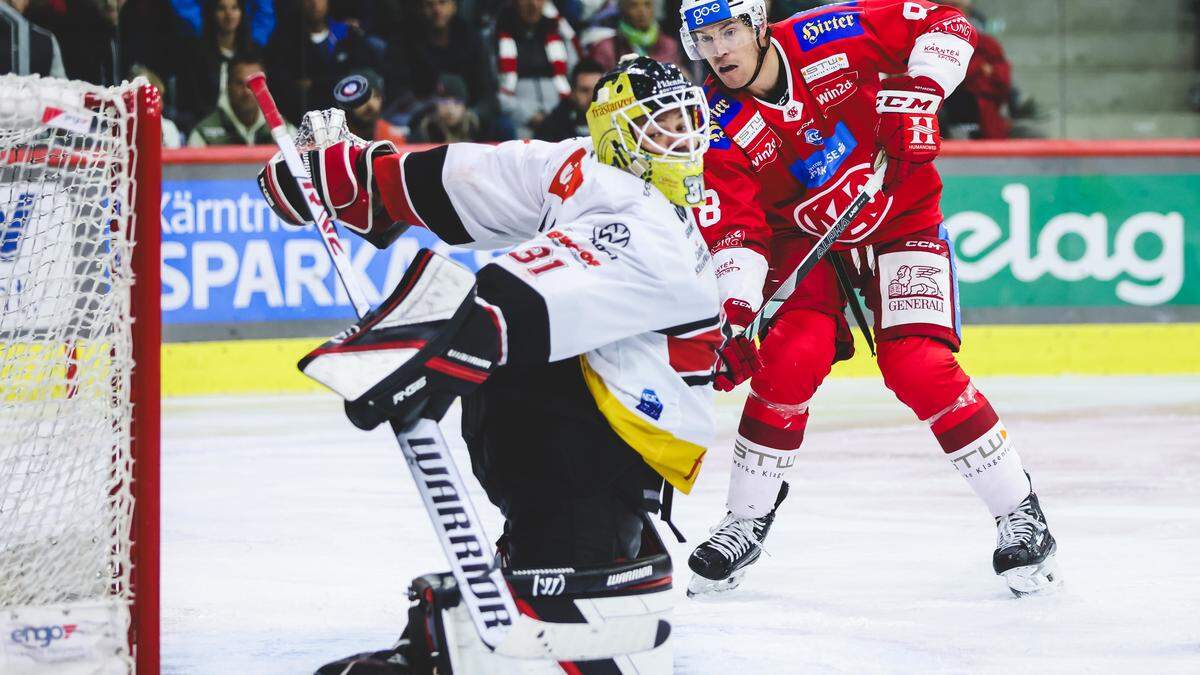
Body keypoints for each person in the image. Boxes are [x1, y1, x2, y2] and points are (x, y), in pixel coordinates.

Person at [256, 55, 716, 673]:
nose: (684, 141)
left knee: (569, 590)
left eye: (690, 120)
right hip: (579, 407)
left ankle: (531, 588)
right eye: (664, 125)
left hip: (622, 435)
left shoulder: (653, 229)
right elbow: (477, 176)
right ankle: (486, 603)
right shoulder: (582, 167)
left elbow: (512, 304)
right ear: (615, 135)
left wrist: (426, 354)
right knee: (515, 402)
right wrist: (363, 179)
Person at [677, 0, 1060, 598]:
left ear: (759, 24)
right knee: (787, 361)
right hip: (800, 241)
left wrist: (925, 89)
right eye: (704, 39)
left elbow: (947, 21)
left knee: (919, 366)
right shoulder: (715, 120)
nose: (719, 51)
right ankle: (747, 519)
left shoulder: (828, 31)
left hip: (901, 213)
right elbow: (737, 231)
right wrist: (738, 308)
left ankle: (1021, 511)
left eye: (729, 32)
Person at [495, 0, 579, 139]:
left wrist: (557, 114)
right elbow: (493, 89)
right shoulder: (496, 35)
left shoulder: (558, 30)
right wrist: (528, 114)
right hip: (518, 120)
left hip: (560, 114)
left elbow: (575, 74)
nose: (533, 4)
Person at [187, 53, 279, 146]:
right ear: (227, 85)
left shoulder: (285, 132)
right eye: (240, 83)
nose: (247, 91)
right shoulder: (202, 136)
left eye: (255, 84)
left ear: (265, 87)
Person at [585, 0, 687, 72]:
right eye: (634, 5)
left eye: (647, 4)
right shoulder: (605, 48)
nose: (641, 11)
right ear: (622, 9)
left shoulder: (669, 45)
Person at [534, 58, 605, 141]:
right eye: (584, 90)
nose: (592, 97)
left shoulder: (617, 118)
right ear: (572, 92)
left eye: (598, 89)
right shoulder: (552, 126)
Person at [412, 73, 481, 142]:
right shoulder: (425, 129)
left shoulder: (478, 126)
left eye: (457, 102)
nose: (450, 109)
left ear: (464, 106)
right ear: (436, 105)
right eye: (444, 102)